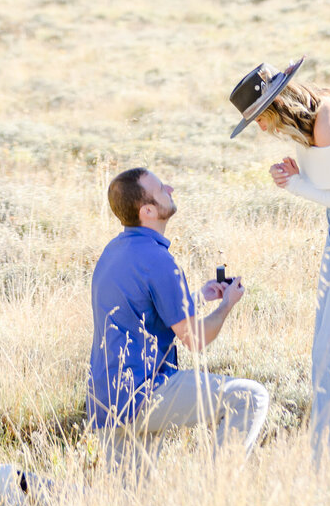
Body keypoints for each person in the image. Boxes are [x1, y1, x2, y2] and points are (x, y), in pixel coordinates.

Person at [228, 58, 330, 482]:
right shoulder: (308, 124)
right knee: (326, 357)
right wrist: (302, 174)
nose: (262, 130)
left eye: (260, 119)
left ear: (277, 103)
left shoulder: (326, 120)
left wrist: (297, 185)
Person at [86, 166, 269, 467]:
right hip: (144, 392)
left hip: (106, 400)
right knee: (250, 398)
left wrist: (197, 297)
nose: (169, 188)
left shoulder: (114, 251)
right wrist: (227, 305)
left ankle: (14, 482)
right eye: (161, 190)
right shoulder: (159, 261)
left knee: (127, 502)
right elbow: (196, 340)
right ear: (147, 210)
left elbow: (138, 312)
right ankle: (218, 493)